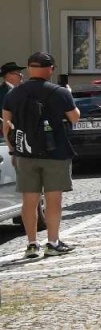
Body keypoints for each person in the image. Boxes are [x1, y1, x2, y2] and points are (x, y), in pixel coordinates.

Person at [1, 52, 81, 259]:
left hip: (25, 153)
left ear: (29, 68)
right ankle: (52, 242)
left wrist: (12, 150)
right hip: (55, 153)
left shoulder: (13, 94)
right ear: (50, 69)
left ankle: (31, 244)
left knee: (29, 200)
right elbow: (75, 118)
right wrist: (69, 95)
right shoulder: (59, 92)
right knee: (53, 199)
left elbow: (6, 126)